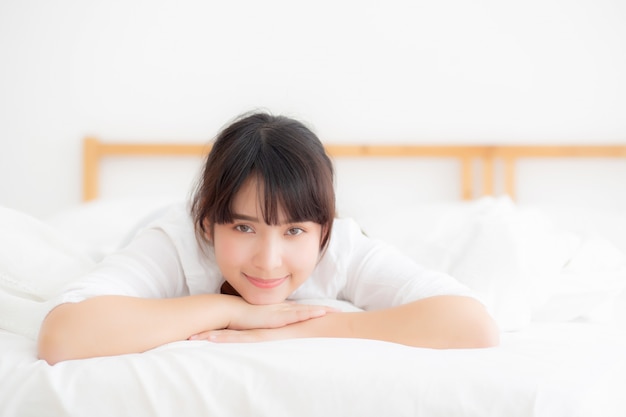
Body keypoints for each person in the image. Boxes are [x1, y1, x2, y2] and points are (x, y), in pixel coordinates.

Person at [38, 112, 499, 364]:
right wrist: (232, 311)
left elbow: (473, 325)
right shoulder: (176, 241)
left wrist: (311, 327)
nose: (269, 261)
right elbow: (63, 337)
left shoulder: (341, 246)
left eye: (294, 230)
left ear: (324, 229)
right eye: (243, 228)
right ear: (206, 223)